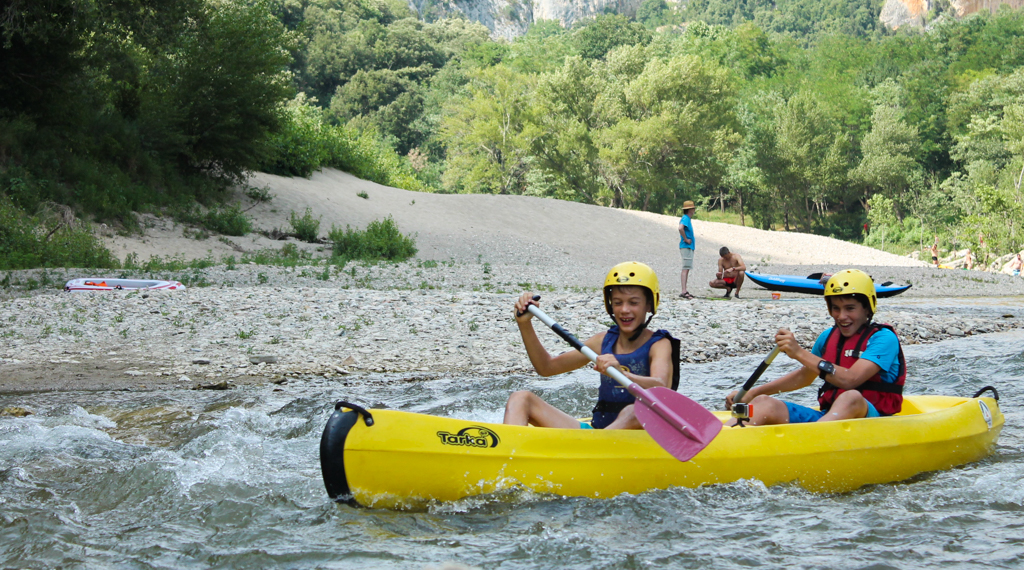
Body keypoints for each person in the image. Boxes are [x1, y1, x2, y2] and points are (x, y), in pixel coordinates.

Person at [505, 262, 680, 430]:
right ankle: (507, 449)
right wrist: (524, 324)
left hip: (643, 435)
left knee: (634, 411)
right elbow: (546, 368)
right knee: (521, 398)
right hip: (598, 433)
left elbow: (661, 388)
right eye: (617, 302)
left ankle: (595, 444)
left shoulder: (659, 344)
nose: (624, 310)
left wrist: (623, 374)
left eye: (633, 302)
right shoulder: (602, 341)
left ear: (649, 304)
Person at [725, 269, 905, 425]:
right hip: (829, 418)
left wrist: (799, 353)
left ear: (867, 308)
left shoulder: (883, 339)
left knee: (851, 397)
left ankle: (812, 439)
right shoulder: (827, 337)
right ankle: (722, 437)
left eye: (850, 308)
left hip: (874, 421)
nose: (841, 316)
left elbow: (850, 380)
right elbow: (805, 376)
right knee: (763, 402)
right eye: (836, 308)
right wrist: (753, 394)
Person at [678, 200, 696, 300]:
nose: (694, 210)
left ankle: (684, 290)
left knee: (687, 268)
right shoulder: (685, 218)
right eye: (693, 208)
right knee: (685, 268)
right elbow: (680, 228)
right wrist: (686, 239)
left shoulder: (687, 218)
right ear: (690, 210)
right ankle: (684, 291)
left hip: (688, 246)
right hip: (686, 246)